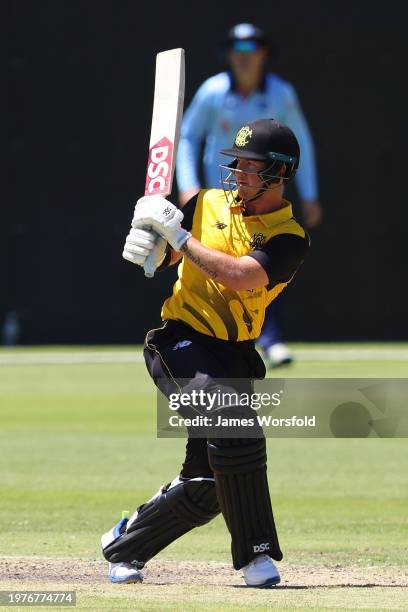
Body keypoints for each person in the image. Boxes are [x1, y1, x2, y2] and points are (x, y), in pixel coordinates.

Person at [101, 118, 310, 588]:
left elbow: (238, 276)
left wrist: (177, 237)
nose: (237, 172)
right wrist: (146, 241)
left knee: (211, 482)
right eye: (235, 162)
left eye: (251, 166)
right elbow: (164, 255)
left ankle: (124, 546)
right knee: (237, 434)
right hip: (181, 342)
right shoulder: (206, 204)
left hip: (237, 357)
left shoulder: (290, 238)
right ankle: (257, 559)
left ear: (278, 174)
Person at [176, 23, 321, 368]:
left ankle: (270, 338)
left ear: (263, 53)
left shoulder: (281, 94)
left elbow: (303, 141)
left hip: (265, 198)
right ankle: (196, 338)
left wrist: (311, 194)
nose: (243, 58)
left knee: (266, 264)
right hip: (217, 204)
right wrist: (188, 187)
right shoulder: (213, 91)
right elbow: (188, 137)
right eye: (236, 51)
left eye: (250, 50)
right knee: (217, 267)